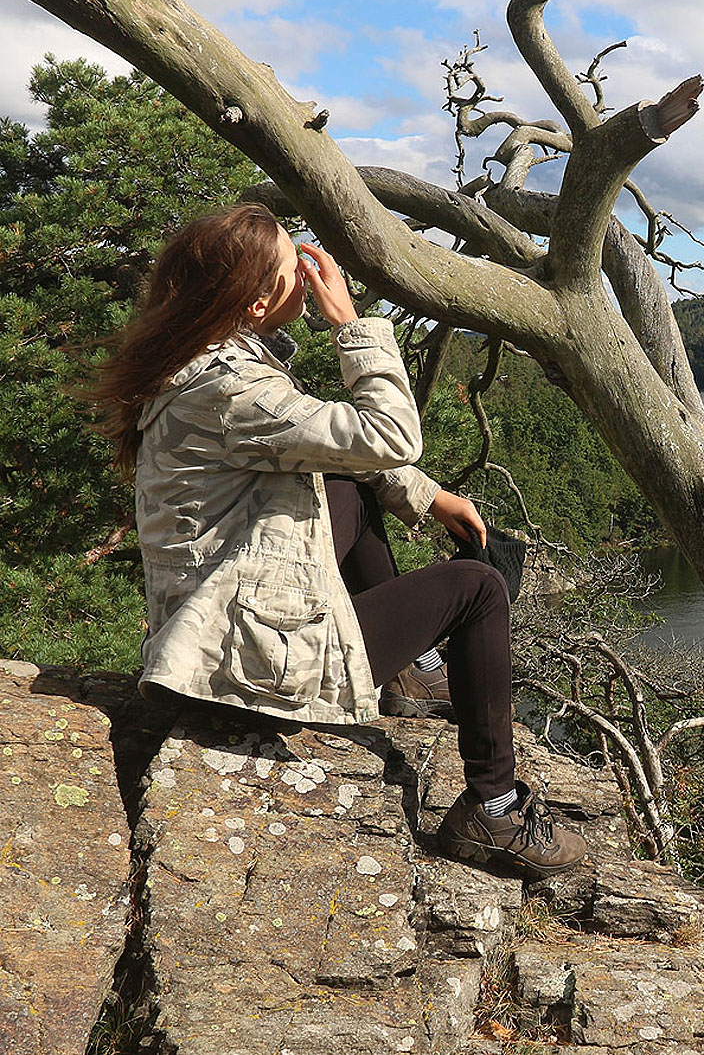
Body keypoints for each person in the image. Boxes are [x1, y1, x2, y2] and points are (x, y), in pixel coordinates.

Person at [85, 202, 585, 878]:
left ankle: (412, 672)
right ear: (257, 302)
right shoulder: (233, 389)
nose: (311, 276)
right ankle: (494, 812)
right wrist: (351, 326)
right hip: (240, 670)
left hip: (215, 633)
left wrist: (426, 496)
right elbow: (390, 435)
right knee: (478, 588)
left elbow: (331, 450)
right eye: (296, 268)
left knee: (344, 487)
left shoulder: (199, 368)